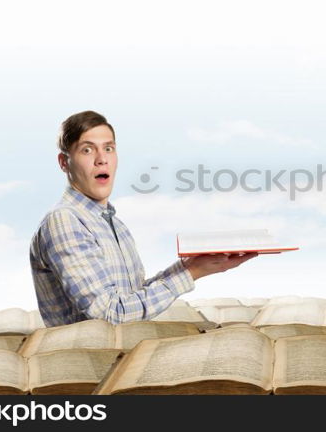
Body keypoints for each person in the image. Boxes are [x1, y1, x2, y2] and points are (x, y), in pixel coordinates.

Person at [29, 110, 257, 327]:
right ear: (64, 162)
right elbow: (110, 314)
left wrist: (192, 265)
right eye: (87, 150)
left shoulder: (115, 224)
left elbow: (131, 301)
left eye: (108, 148)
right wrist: (191, 273)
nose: (101, 159)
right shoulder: (64, 220)